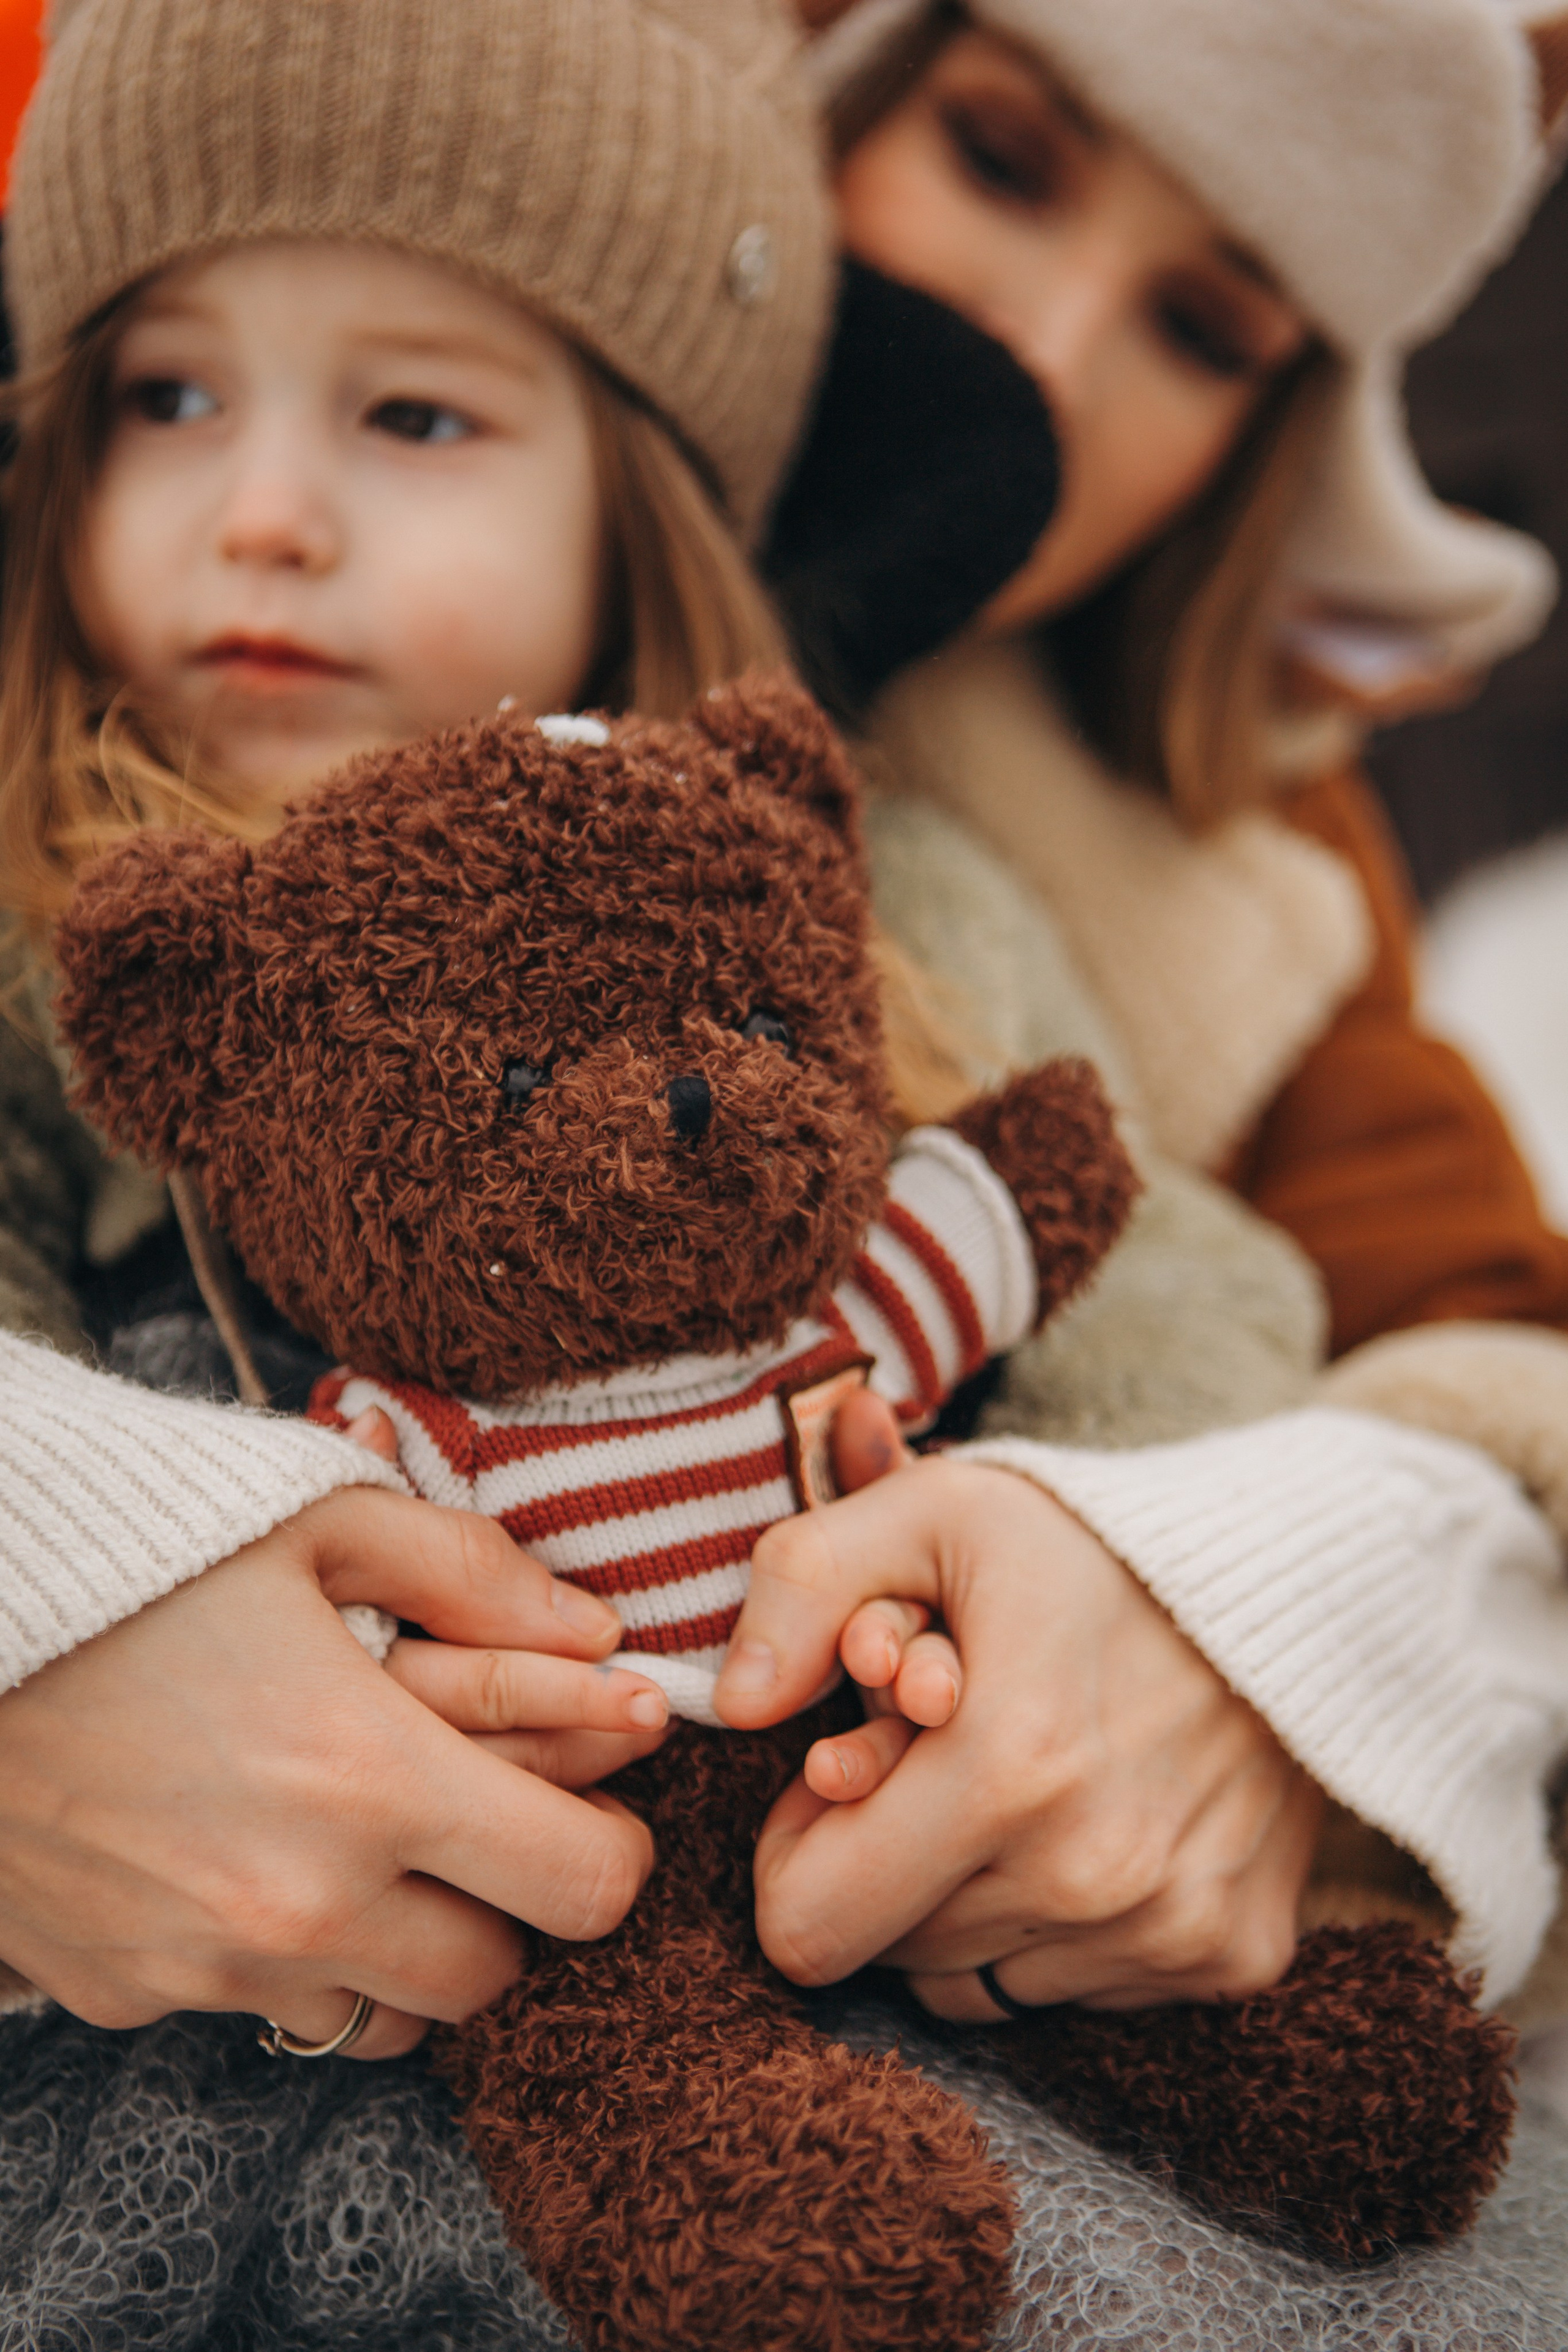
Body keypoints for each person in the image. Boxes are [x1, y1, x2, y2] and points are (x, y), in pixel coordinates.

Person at [0, 0, 1566, 2339]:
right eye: (1004, 160)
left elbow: (1432, 1341)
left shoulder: (1133, 861)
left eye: (1203, 327)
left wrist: (1242, 1614)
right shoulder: (84, 853)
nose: (1035, 341)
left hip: (868, 1852)